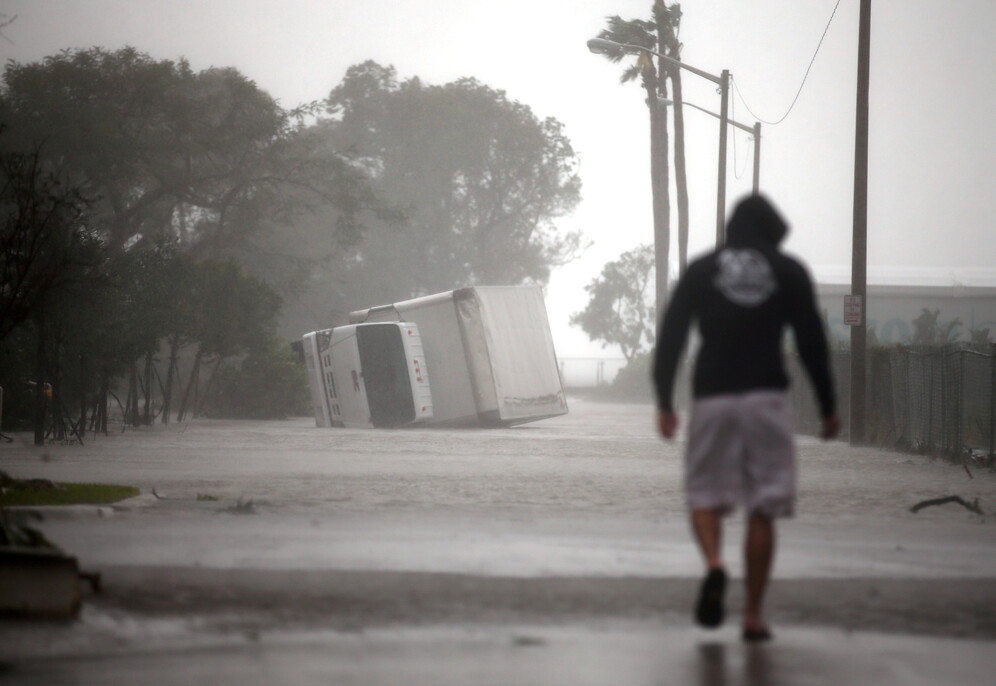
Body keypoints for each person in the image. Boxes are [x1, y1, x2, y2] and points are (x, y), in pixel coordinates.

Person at [652, 194, 841, 642]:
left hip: (713, 397)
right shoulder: (788, 270)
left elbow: (673, 335)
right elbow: (812, 338)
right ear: (772, 231)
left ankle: (715, 566)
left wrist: (664, 401)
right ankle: (753, 616)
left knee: (703, 494)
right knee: (763, 506)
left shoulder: (702, 269)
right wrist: (828, 405)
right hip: (766, 398)